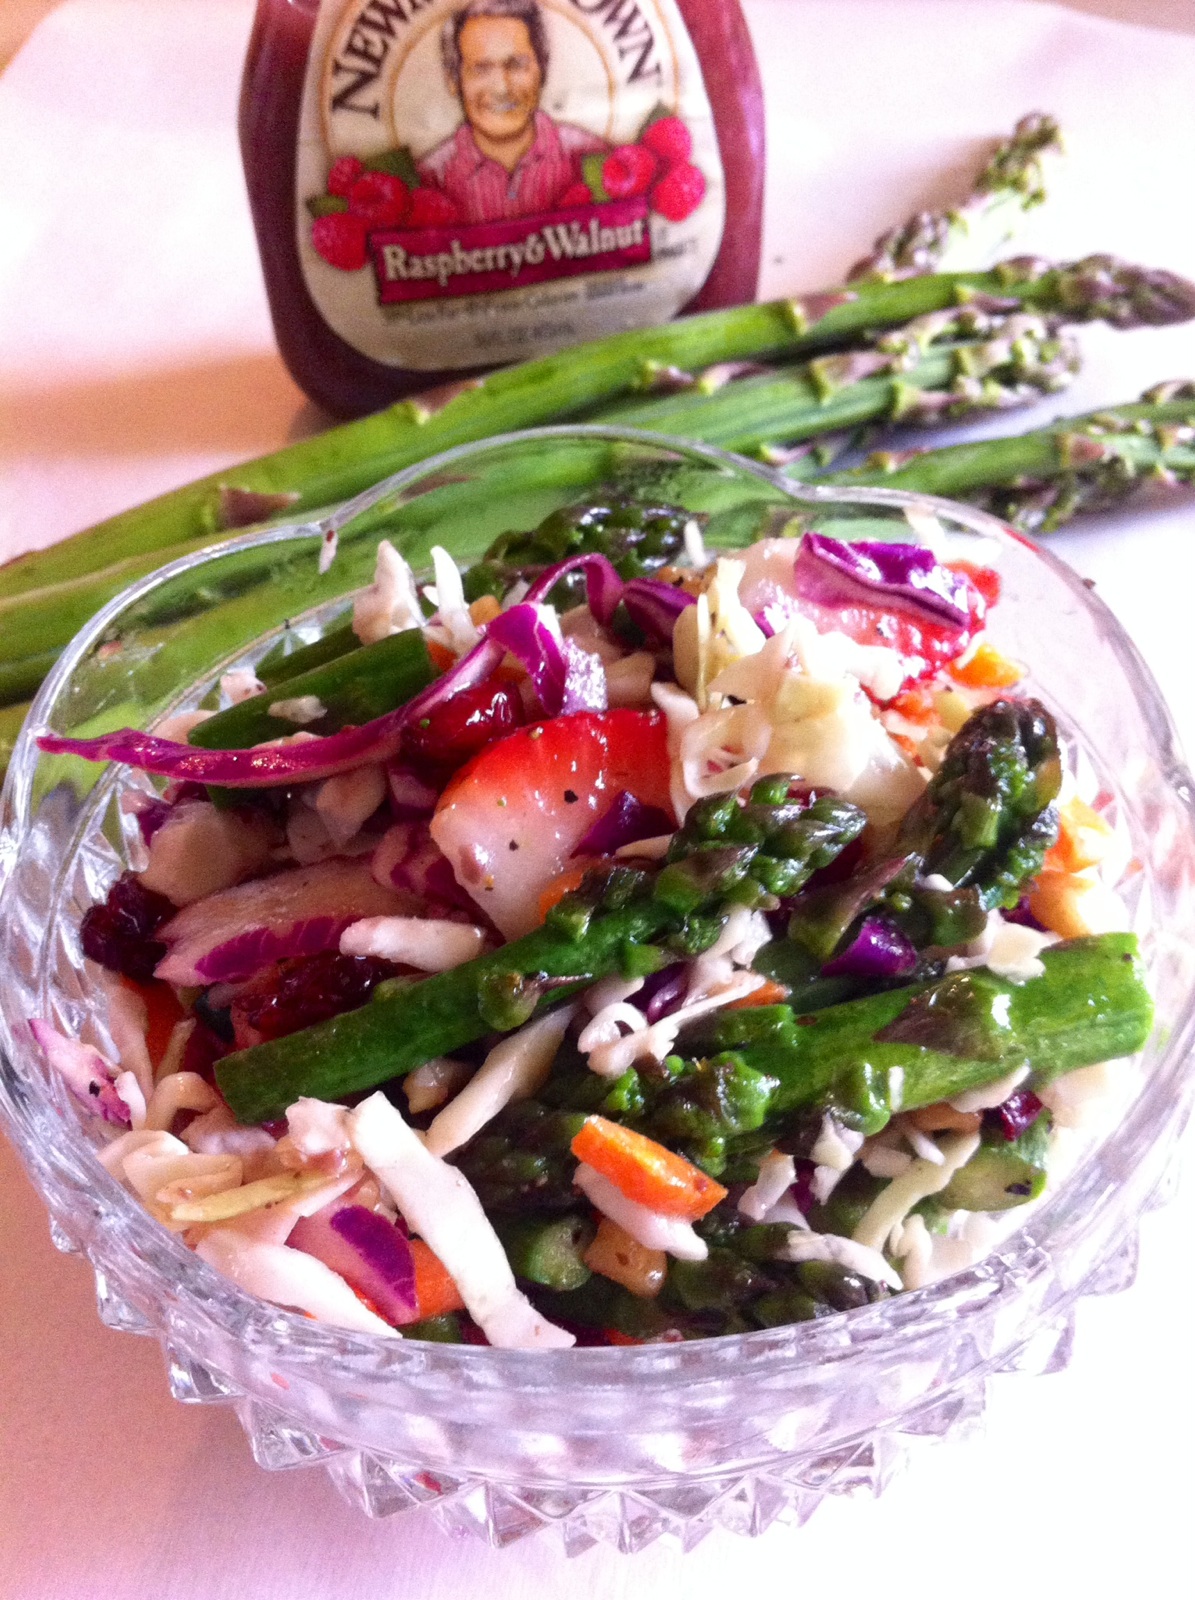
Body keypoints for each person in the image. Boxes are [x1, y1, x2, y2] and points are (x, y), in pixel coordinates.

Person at [418, 0, 607, 225]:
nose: (502, 88)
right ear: (454, 81)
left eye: (516, 65)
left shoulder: (592, 154)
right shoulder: (429, 177)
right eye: (481, 69)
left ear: (542, 70)